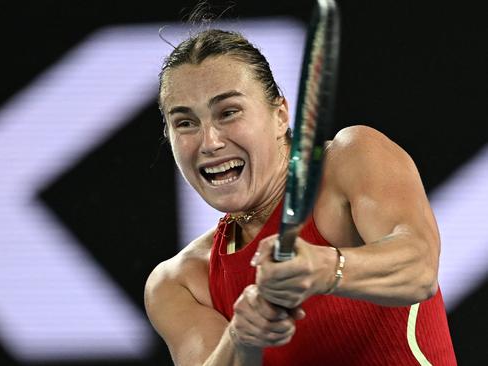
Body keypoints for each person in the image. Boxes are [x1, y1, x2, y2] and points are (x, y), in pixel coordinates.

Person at [144, 27, 457, 365]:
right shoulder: (178, 284)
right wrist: (242, 338)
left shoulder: (351, 159)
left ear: (280, 116)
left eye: (228, 112)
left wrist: (324, 267)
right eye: (185, 123)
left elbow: (419, 268)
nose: (209, 142)